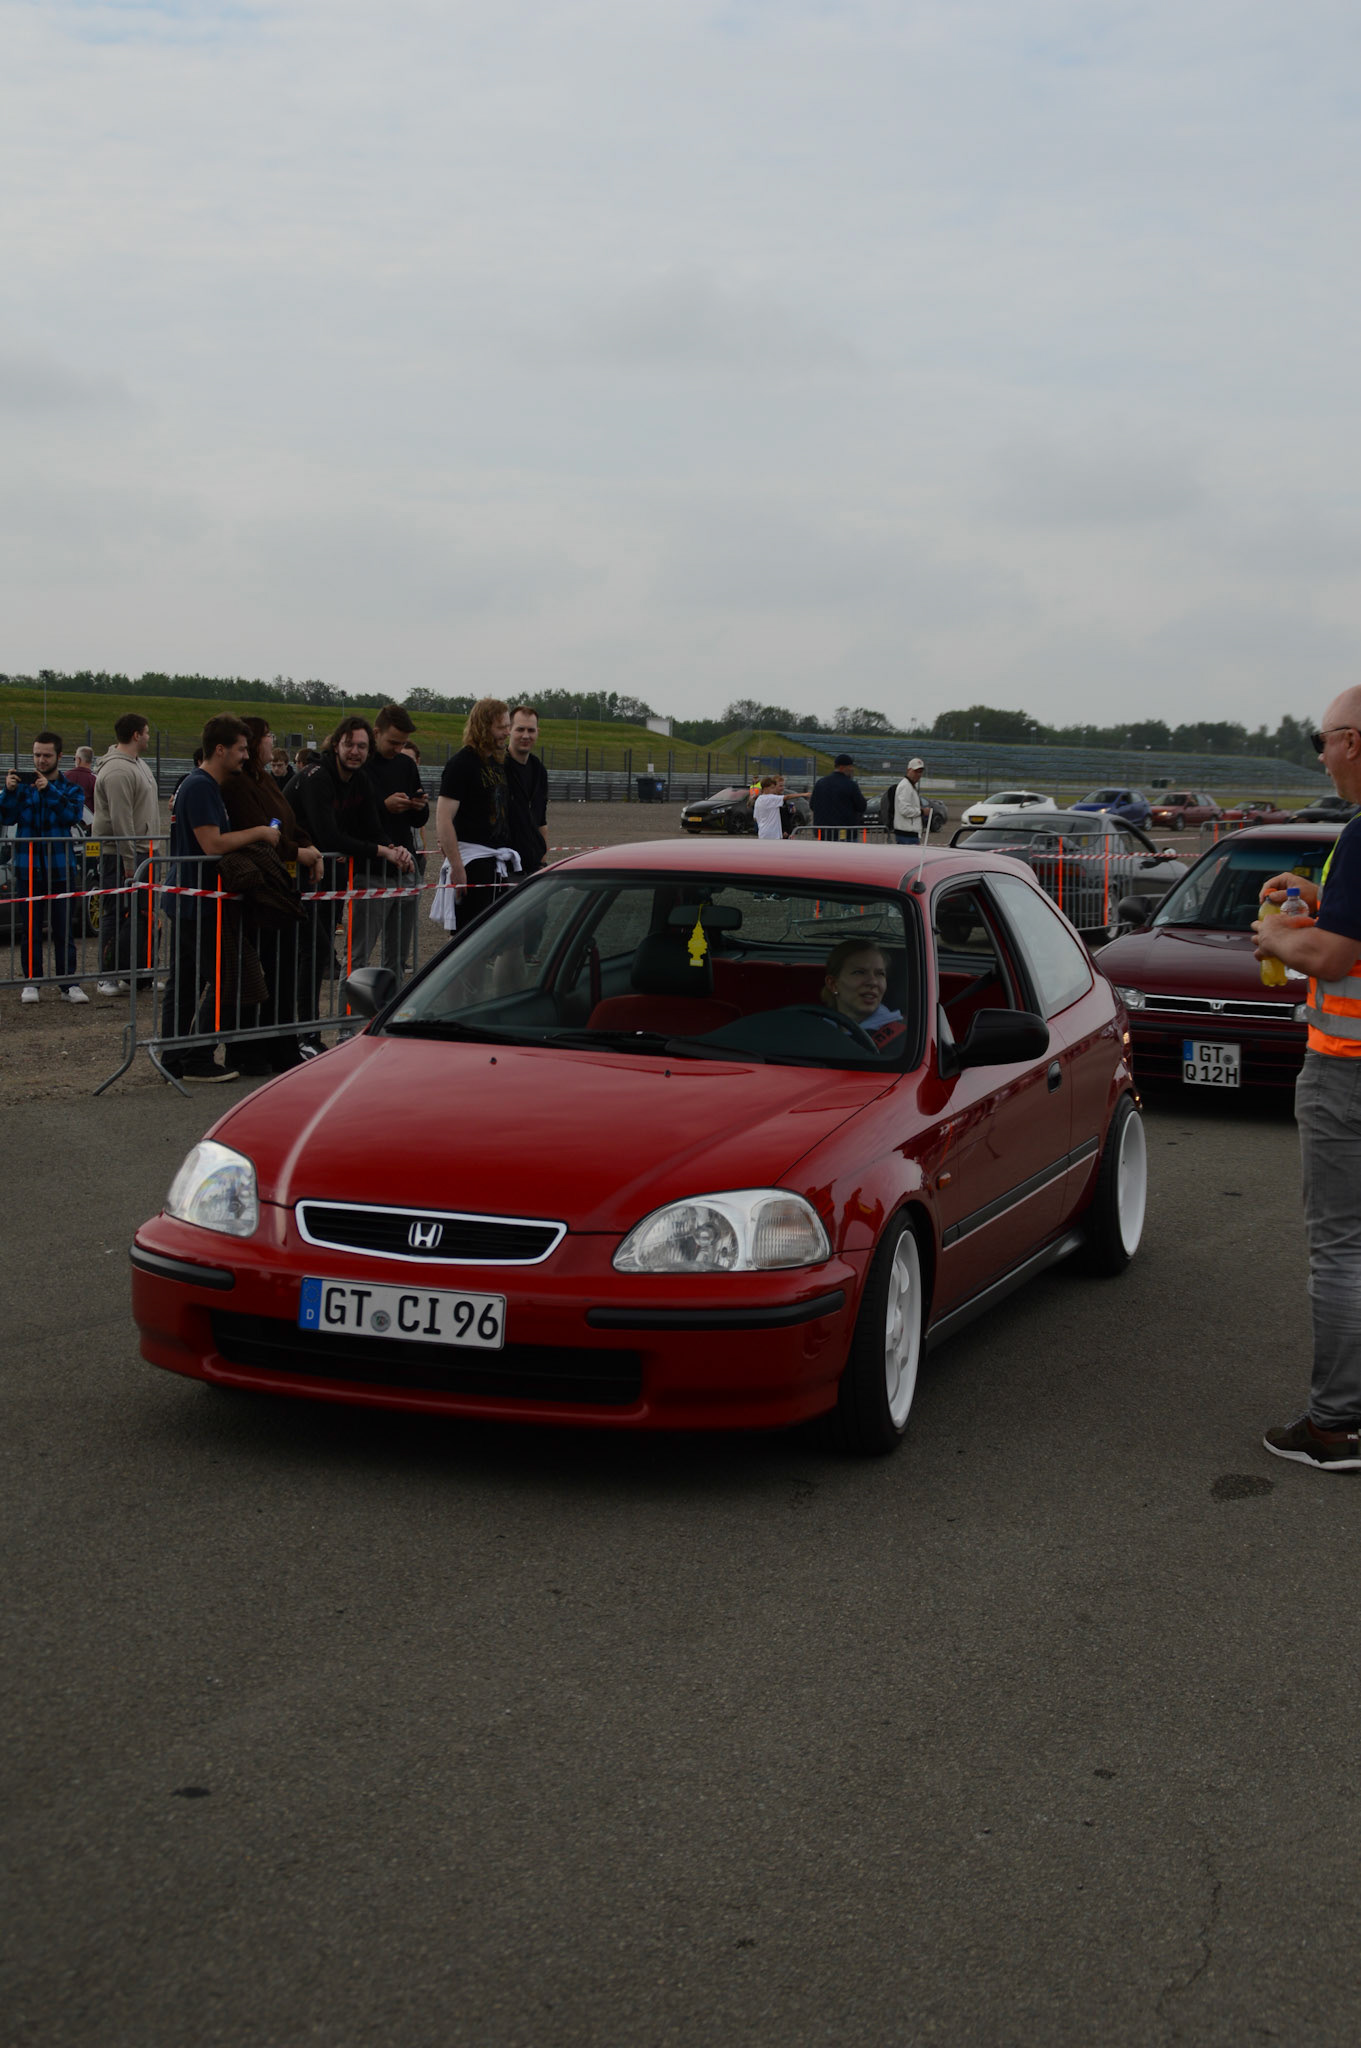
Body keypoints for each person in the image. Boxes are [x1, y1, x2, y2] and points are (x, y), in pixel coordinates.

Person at [1253, 686, 1361, 1470]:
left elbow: (1328, 957)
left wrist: (1274, 936)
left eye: (1320, 740)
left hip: (1347, 1073)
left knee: (1341, 1250)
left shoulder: (1359, 834)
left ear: (1351, 741)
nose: (1319, 755)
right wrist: (1323, 904)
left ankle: (1334, 1426)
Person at [160, 716, 282, 1082]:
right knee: (232, 978)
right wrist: (259, 832)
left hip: (193, 898)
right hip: (198, 901)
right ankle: (195, 1057)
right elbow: (212, 844)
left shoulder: (201, 785)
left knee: (187, 982)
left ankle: (175, 1058)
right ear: (220, 749)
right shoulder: (201, 786)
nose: (246, 755)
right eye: (241, 749)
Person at [221, 717, 326, 1073]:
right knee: (264, 972)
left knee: (284, 968)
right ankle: (251, 1049)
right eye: (267, 736)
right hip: (261, 889)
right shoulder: (238, 783)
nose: (272, 741)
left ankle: (279, 1045)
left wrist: (310, 848)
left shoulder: (263, 779)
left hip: (281, 884)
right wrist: (300, 852)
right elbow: (261, 835)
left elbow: (288, 824)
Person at [290, 715, 415, 974]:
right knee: (305, 951)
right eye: (349, 744)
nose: (355, 752)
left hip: (320, 868)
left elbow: (373, 828)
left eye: (362, 746)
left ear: (369, 751)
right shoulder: (318, 776)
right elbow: (330, 836)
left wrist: (395, 848)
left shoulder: (359, 779)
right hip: (290, 866)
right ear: (336, 745)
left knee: (318, 953)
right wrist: (383, 851)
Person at [1, 732, 89, 1002]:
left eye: (47, 755)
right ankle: (32, 981)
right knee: (30, 929)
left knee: (64, 929)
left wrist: (48, 790)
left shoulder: (70, 788)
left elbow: (72, 816)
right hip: (27, 869)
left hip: (61, 869)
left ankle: (68, 984)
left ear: (59, 756)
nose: (41, 760)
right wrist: (8, 792)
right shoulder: (23, 789)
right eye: (37, 755)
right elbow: (7, 817)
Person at [92, 711, 161, 996]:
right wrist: (130, 862)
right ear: (136, 735)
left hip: (144, 852)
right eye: (146, 732)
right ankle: (107, 977)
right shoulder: (118, 771)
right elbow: (122, 822)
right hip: (122, 856)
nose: (148, 736)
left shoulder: (138, 763)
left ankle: (139, 975)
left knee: (143, 914)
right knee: (115, 912)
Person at [357, 703, 429, 975]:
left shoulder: (406, 765)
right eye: (393, 742)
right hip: (372, 869)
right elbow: (351, 817)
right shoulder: (360, 765)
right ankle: (348, 1005)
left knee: (398, 957)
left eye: (403, 743)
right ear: (376, 733)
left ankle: (392, 1001)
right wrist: (383, 806)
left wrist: (419, 807)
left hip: (405, 867)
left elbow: (419, 821)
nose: (398, 749)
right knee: (358, 954)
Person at [436, 698, 518, 926]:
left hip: (496, 863)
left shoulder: (497, 763)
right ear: (483, 727)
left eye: (508, 726)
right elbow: (443, 818)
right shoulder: (461, 764)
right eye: (501, 727)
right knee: (471, 936)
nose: (507, 732)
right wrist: (457, 867)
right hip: (472, 863)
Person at [819, 938, 905, 1050]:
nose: (873, 982)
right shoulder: (814, 1028)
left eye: (880, 974)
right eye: (859, 972)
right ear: (833, 984)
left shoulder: (905, 1039)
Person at [505, 704, 549, 877]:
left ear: (538, 732)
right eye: (520, 729)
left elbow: (541, 819)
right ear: (509, 729)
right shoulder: (497, 767)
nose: (525, 735)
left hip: (533, 865)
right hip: (503, 865)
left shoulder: (539, 770)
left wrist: (542, 860)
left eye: (531, 730)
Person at [809, 755, 867, 840]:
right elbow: (861, 806)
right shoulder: (850, 785)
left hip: (823, 832)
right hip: (845, 832)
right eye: (850, 766)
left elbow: (812, 805)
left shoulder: (820, 783)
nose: (852, 769)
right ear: (842, 767)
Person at [892, 758, 927, 845]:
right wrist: (922, 811)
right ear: (909, 770)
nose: (918, 774)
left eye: (920, 772)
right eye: (916, 771)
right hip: (906, 834)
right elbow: (905, 810)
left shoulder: (909, 786)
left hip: (909, 833)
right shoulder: (905, 786)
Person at [752, 775, 785, 841]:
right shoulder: (772, 798)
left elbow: (755, 817)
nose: (782, 788)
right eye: (780, 786)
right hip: (772, 834)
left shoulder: (759, 799)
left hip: (765, 832)